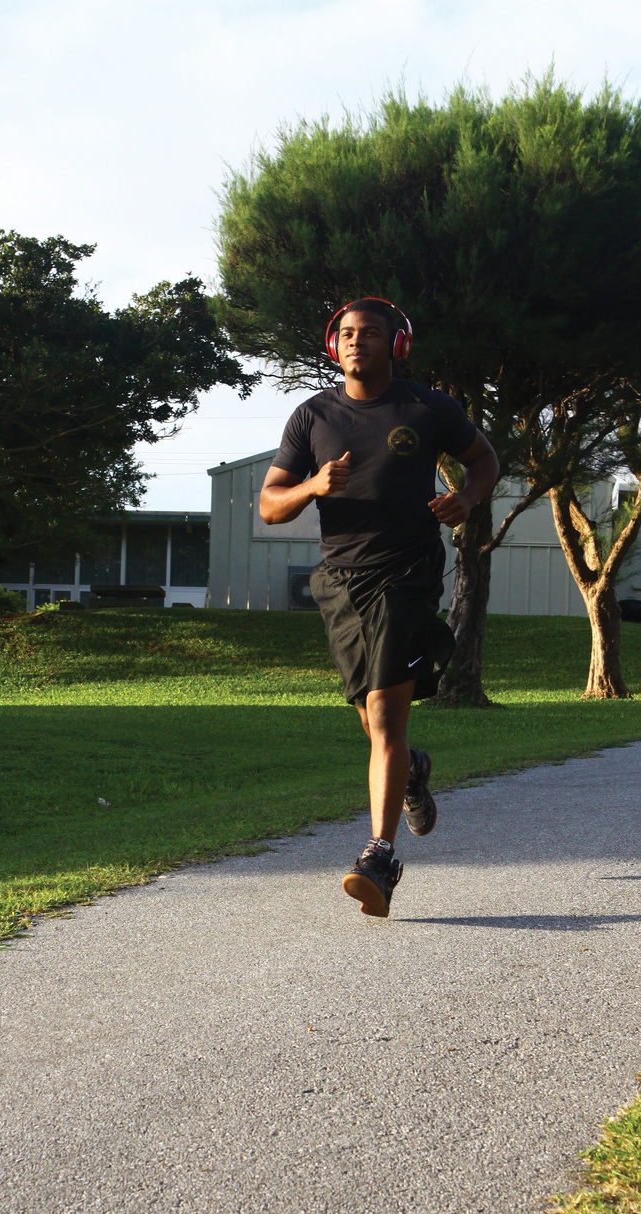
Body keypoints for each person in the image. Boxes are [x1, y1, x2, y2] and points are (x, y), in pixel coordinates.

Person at [259, 297, 499, 918]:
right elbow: (269, 503)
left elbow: (484, 460)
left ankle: (378, 857)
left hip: (407, 573)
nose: (356, 342)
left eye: (370, 333)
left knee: (386, 718)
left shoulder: (428, 408)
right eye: (345, 333)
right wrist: (312, 485)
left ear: (397, 344)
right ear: (331, 345)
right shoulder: (312, 416)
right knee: (370, 718)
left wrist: (466, 500)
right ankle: (413, 771)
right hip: (339, 581)